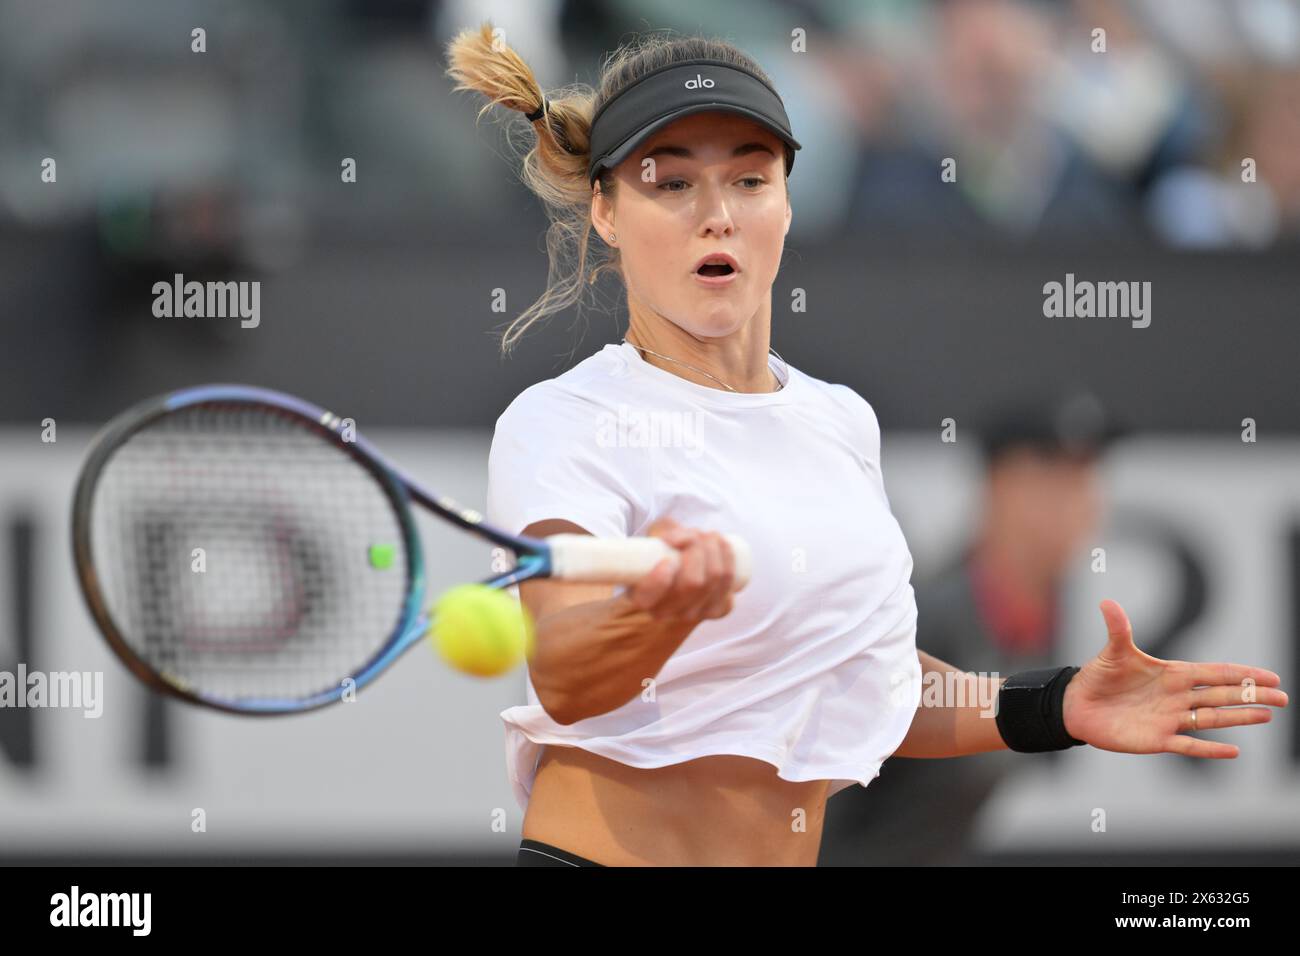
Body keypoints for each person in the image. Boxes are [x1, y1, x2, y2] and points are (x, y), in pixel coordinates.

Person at [444, 22, 1288, 867]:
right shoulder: (563, 419)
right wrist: (662, 618)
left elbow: (874, 687)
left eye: (749, 178)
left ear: (785, 202)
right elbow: (565, 671)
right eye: (670, 185)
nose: (717, 216)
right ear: (606, 210)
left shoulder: (840, 420)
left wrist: (1055, 705)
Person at [819, 391, 1122, 865]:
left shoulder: (1035, 625)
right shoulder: (919, 622)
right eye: (1051, 476)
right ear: (998, 487)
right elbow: (821, 805)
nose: (1076, 501)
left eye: (1085, 478)